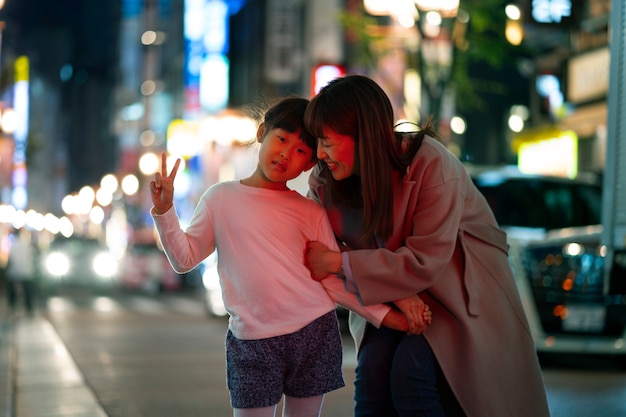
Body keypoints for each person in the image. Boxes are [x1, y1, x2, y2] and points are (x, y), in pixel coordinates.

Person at [149, 96, 432, 417]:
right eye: (282, 139)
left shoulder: (310, 211)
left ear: (310, 164)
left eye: (301, 151)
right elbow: (184, 259)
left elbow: (333, 282)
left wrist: (390, 318)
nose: (286, 154)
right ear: (261, 133)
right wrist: (164, 210)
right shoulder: (220, 198)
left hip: (314, 333)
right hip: (252, 340)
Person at [302, 74, 551, 417]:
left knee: (410, 371)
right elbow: (315, 250)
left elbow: (423, 262)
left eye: (327, 141)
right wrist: (400, 294)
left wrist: (340, 262)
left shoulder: (430, 163)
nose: (319, 153)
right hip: (390, 299)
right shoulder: (324, 181)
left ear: (363, 133)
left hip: (456, 299)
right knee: (372, 373)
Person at [6, 228, 37, 316]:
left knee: (11, 291)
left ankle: (11, 306)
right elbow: (32, 257)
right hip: (27, 272)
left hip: (14, 272)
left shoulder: (13, 246)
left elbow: (10, 260)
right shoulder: (26, 245)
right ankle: (29, 309)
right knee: (28, 292)